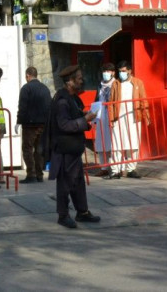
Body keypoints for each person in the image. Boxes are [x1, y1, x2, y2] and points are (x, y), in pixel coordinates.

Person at [46, 65, 101, 228]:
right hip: (64, 150)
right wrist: (85, 120)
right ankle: (63, 215)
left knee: (77, 182)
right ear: (69, 82)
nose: (81, 81)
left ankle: (82, 212)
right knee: (65, 184)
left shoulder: (73, 98)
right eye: (78, 78)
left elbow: (75, 116)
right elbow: (64, 125)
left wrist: (86, 116)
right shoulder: (62, 100)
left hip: (73, 149)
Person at [108, 60, 150, 179]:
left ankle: (131, 169)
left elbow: (143, 99)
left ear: (130, 71)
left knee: (133, 144)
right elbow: (111, 102)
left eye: (124, 71)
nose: (122, 73)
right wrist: (111, 119)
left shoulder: (138, 83)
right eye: (120, 71)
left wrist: (146, 115)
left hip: (133, 118)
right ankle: (115, 170)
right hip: (118, 118)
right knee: (116, 145)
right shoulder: (116, 84)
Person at [16, 66, 51, 183]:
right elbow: (49, 106)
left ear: (27, 75)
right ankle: (39, 175)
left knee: (27, 149)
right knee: (39, 150)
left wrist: (18, 121)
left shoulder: (26, 88)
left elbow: (22, 107)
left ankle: (31, 174)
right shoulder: (45, 88)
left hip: (29, 125)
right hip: (43, 124)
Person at [93, 63, 116, 178]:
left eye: (109, 71)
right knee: (101, 142)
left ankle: (115, 167)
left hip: (112, 116)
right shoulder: (100, 84)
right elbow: (97, 99)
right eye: (105, 71)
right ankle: (103, 167)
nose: (106, 73)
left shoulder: (116, 84)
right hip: (101, 116)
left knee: (113, 143)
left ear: (113, 72)